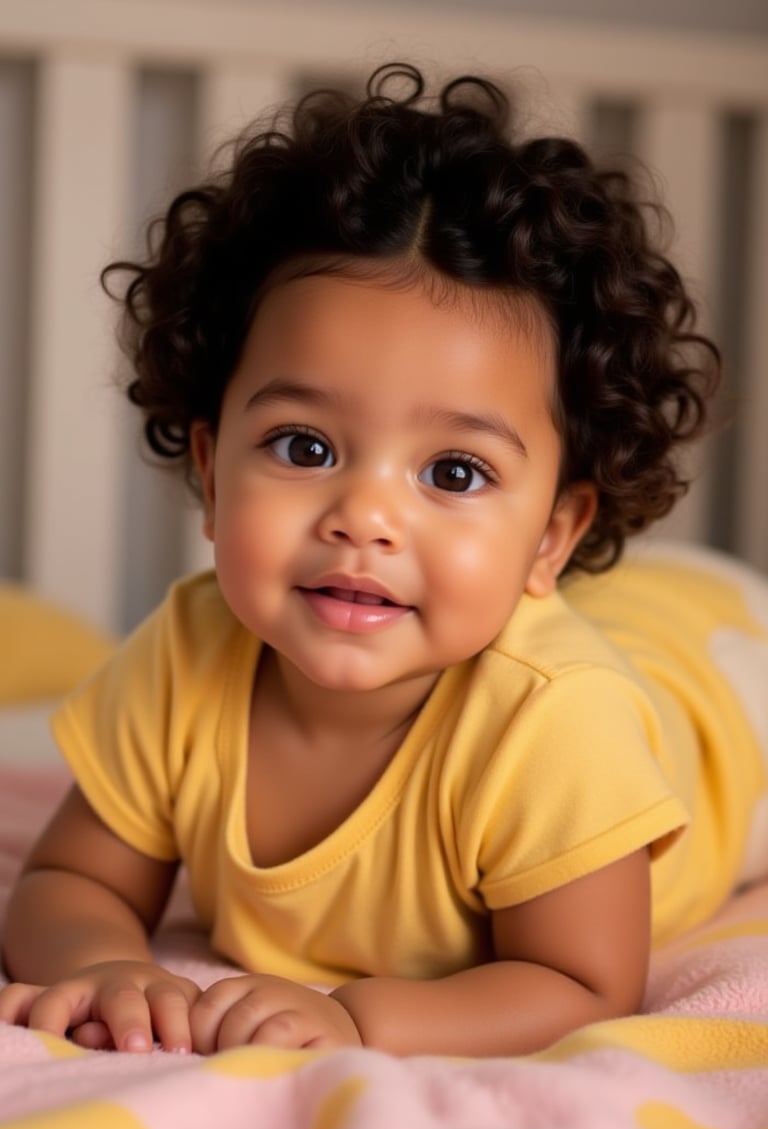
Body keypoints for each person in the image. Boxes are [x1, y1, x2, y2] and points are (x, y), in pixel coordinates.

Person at [1, 62, 766, 1060]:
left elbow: (581, 981)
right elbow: (74, 882)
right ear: (213, 473)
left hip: (722, 665)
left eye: (453, 470)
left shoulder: (556, 723)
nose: (365, 519)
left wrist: (354, 1017)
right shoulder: (185, 657)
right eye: (305, 448)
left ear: (551, 536)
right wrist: (104, 963)